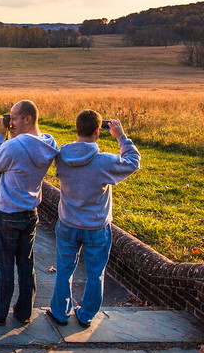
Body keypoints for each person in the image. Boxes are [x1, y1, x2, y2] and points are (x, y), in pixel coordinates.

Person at [47, 109, 140, 327]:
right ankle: (86, 314)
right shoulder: (104, 162)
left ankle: (60, 312)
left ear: (76, 128)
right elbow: (133, 161)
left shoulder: (61, 157)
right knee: (95, 273)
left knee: (64, 268)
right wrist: (121, 136)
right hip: (96, 226)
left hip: (68, 223)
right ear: (99, 130)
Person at [0, 100, 59, 325]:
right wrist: (13, 134)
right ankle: (24, 312)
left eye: (15, 118)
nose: (11, 122)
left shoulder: (13, 146)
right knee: (26, 264)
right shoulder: (48, 143)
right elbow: (26, 146)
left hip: (8, 214)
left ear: (28, 119)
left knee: (4, 266)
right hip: (30, 212)